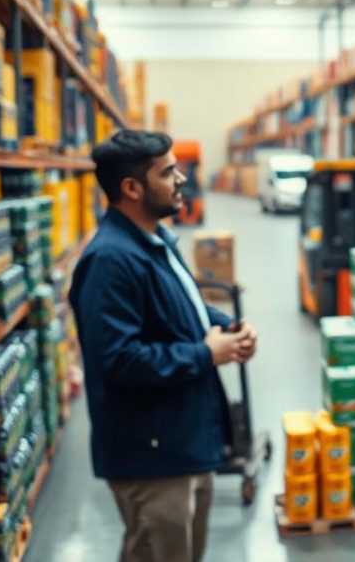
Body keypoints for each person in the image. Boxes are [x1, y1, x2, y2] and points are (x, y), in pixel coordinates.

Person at [70, 130, 259, 562]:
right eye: (168, 172)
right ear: (132, 188)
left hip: (185, 440)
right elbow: (117, 360)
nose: (181, 179)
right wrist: (206, 353)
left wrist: (228, 327)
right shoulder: (110, 261)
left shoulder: (156, 241)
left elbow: (184, 310)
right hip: (152, 457)